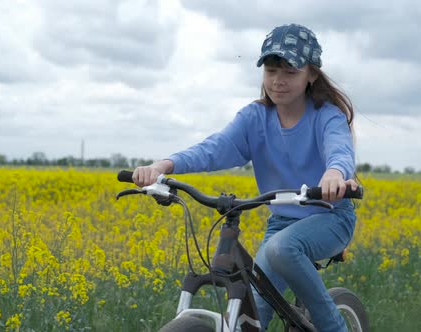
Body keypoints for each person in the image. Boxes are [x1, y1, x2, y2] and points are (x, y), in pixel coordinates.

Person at [132, 23, 358, 332]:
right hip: (282, 223)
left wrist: (335, 174)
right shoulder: (255, 118)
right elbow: (215, 148)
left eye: (290, 72)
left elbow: (339, 150)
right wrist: (164, 166)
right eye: (270, 70)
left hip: (330, 216)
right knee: (251, 312)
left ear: (312, 75)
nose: (278, 81)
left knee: (282, 249)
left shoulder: (326, 115)